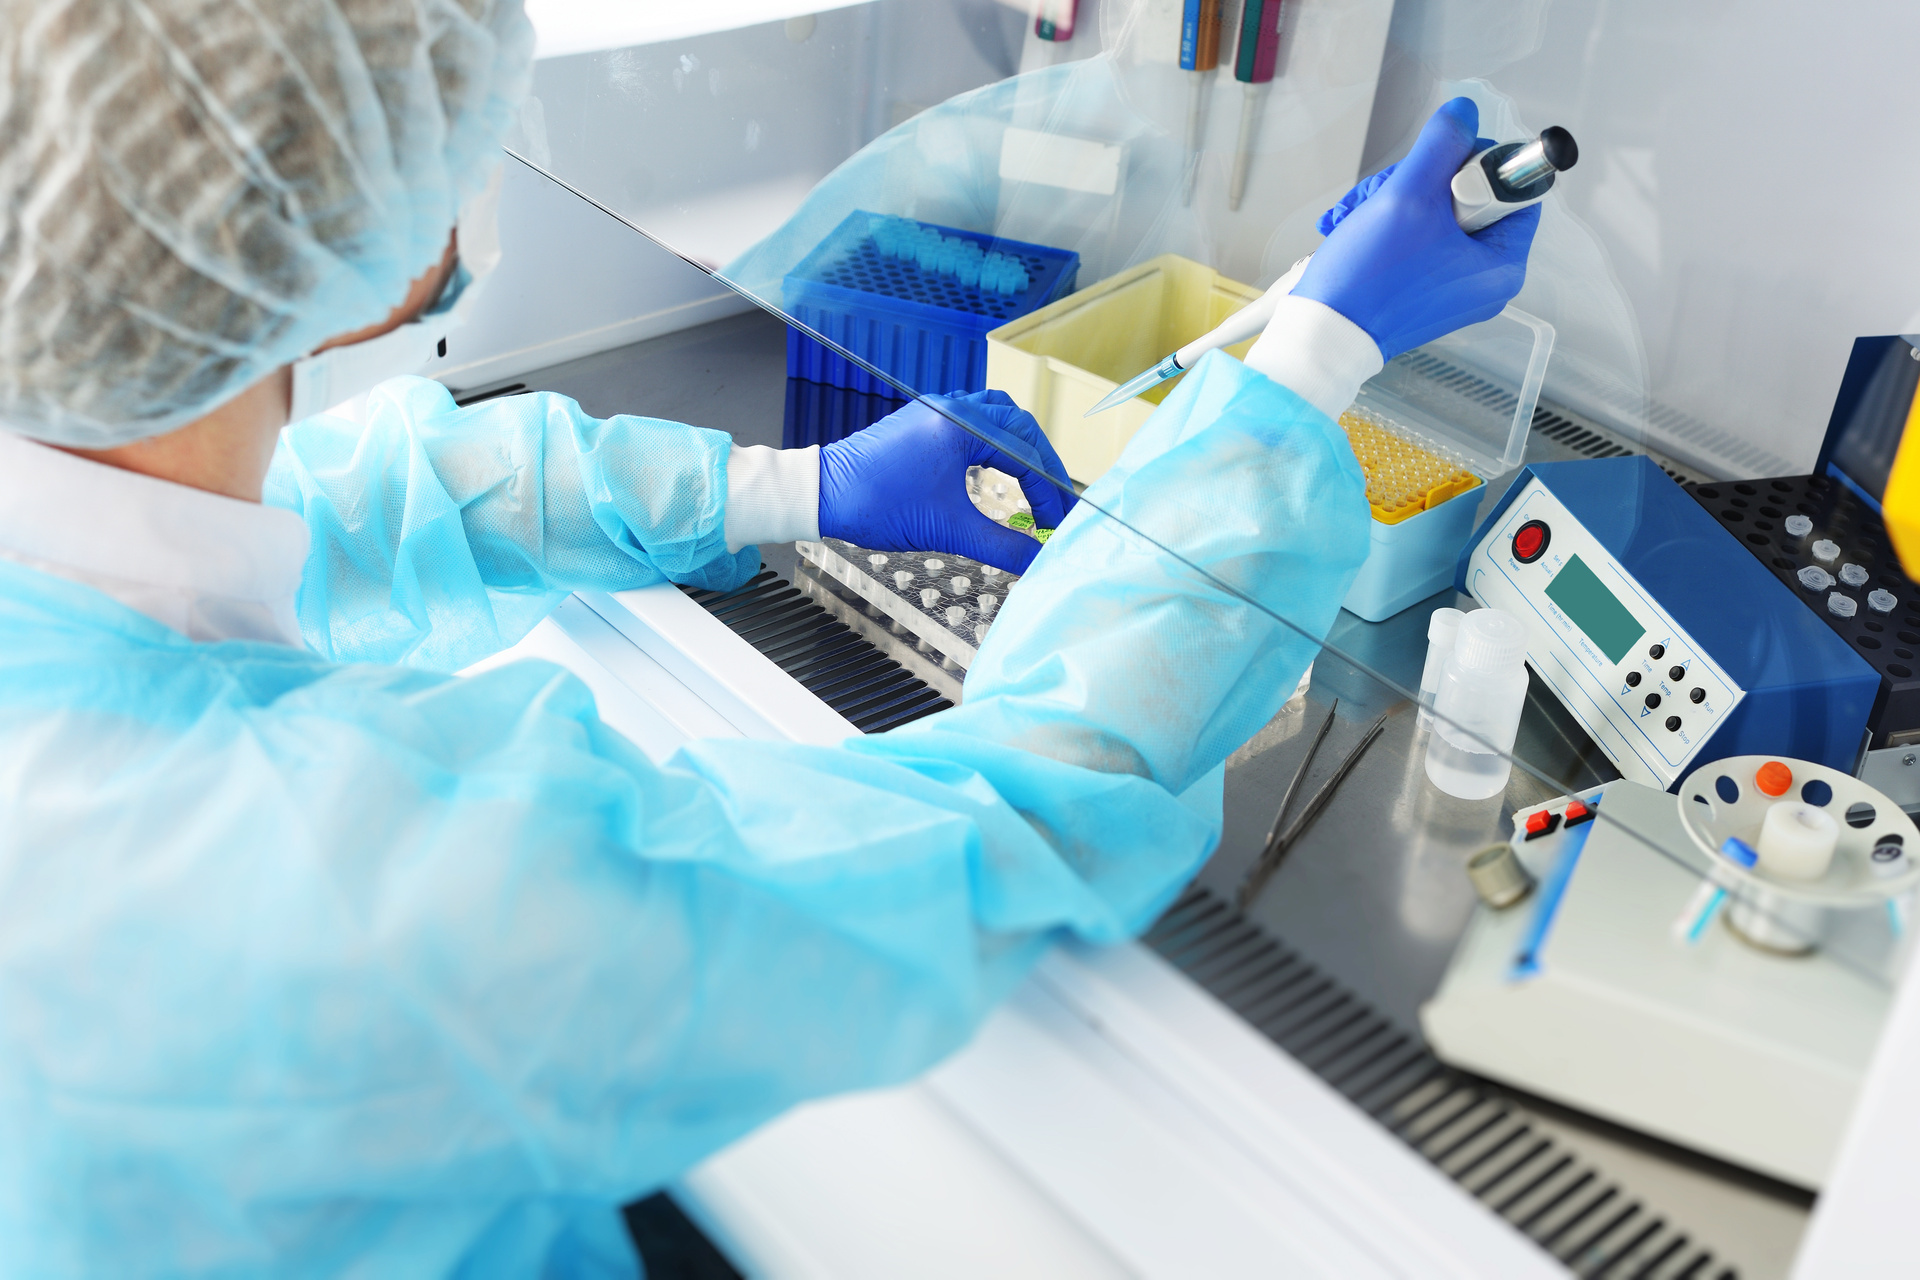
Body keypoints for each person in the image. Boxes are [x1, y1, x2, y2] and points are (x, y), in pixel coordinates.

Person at [0, 0, 1536, 1270]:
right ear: (322, 210)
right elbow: (998, 821)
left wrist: (795, 488)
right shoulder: (346, 882)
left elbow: (351, 501)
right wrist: (1309, 357)